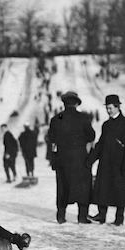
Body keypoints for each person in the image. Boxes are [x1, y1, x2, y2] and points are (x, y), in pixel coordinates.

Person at [87, 94, 125, 226]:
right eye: (107, 108)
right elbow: (100, 145)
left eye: (110, 108)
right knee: (103, 189)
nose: (108, 111)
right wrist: (90, 160)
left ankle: (119, 218)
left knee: (120, 192)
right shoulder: (106, 125)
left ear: (117, 107)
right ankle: (101, 215)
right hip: (105, 163)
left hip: (120, 165)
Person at [47, 90, 95, 224]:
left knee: (62, 187)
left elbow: (51, 138)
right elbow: (91, 136)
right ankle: (82, 217)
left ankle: (61, 216)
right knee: (83, 188)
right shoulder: (84, 118)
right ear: (77, 104)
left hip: (62, 159)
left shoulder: (56, 119)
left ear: (64, 103)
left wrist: (54, 158)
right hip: (80, 159)